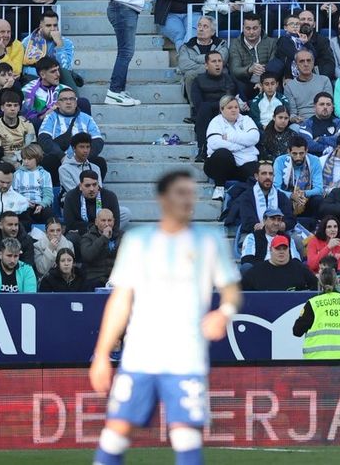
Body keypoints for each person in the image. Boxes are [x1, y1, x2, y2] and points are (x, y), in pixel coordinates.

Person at [87, 170, 241, 465]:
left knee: (186, 436)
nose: (188, 199)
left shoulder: (209, 240)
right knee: (116, 433)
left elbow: (231, 290)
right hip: (141, 354)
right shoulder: (138, 241)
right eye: (180, 192)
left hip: (186, 355)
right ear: (163, 199)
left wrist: (225, 312)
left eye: (191, 193)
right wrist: (102, 354)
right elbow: (120, 300)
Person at [292, 258, 340, 360]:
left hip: (316, 359)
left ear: (320, 281)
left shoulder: (313, 303)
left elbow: (297, 331)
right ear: (336, 280)